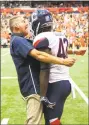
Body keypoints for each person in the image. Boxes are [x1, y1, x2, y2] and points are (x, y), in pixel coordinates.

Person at [9, 15, 76, 125]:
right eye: (23, 21)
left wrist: (74, 53)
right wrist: (63, 61)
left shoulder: (21, 40)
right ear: (16, 26)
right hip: (33, 88)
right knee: (34, 121)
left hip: (35, 87)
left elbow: (46, 52)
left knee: (46, 119)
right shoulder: (18, 41)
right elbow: (39, 55)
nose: (27, 23)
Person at [30, 9, 86, 125]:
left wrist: (43, 95)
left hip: (54, 83)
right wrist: (75, 52)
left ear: (37, 24)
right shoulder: (59, 35)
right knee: (52, 120)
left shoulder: (42, 38)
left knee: (52, 121)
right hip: (64, 82)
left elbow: (45, 66)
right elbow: (59, 51)